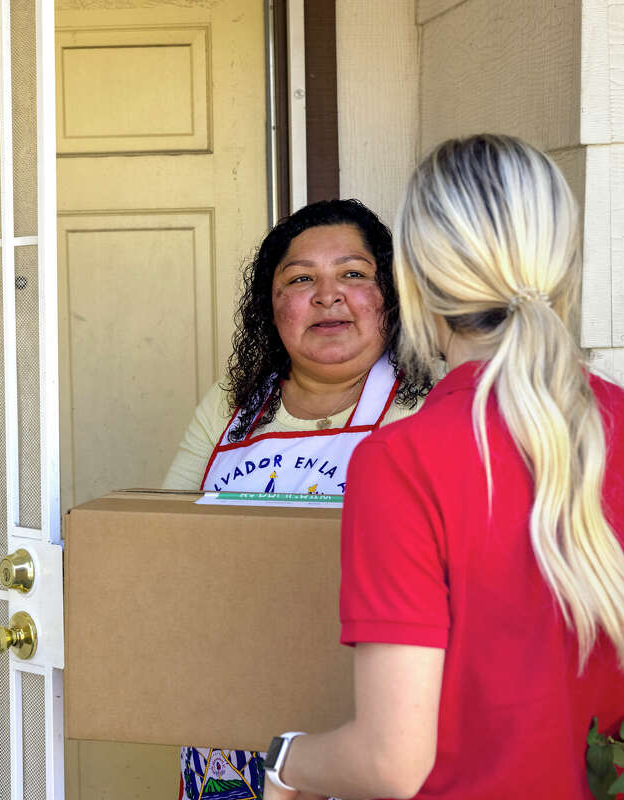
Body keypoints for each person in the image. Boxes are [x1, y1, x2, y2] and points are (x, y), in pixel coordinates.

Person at [258, 134, 624, 800]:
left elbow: (390, 762)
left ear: (413, 281)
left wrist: (285, 762)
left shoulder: (401, 461)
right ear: (565, 264)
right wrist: (588, 738)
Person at [163, 199, 433, 800]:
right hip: (232, 709)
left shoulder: (430, 407)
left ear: (390, 295)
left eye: (354, 274)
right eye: (300, 279)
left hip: (375, 711)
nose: (328, 295)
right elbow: (169, 537)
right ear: (272, 306)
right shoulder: (231, 408)